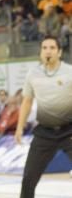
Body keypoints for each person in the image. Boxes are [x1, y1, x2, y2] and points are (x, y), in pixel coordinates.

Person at [15, 35, 72, 198]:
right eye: (44, 48)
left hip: (69, 131)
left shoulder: (69, 72)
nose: (48, 51)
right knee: (28, 178)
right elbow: (27, 102)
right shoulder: (33, 74)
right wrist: (19, 127)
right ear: (40, 52)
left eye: (52, 48)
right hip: (44, 133)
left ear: (59, 52)